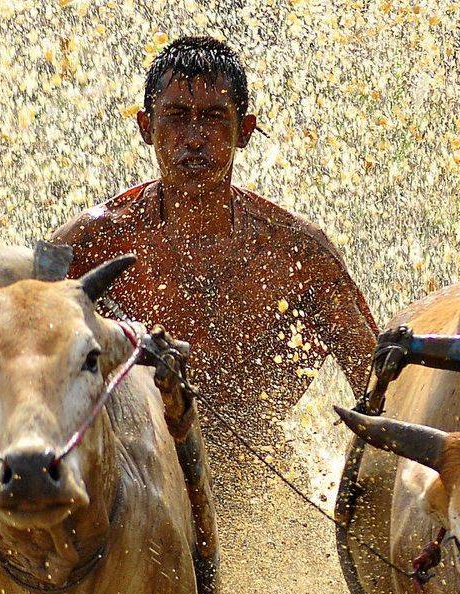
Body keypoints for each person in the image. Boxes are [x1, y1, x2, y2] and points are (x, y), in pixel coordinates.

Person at [52, 36, 379, 460]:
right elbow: (19, 340)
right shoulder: (94, 241)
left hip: (257, 469)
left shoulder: (298, 255)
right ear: (146, 127)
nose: (194, 138)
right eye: (176, 117)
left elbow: (378, 390)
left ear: (244, 131)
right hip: (135, 468)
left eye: (213, 117)